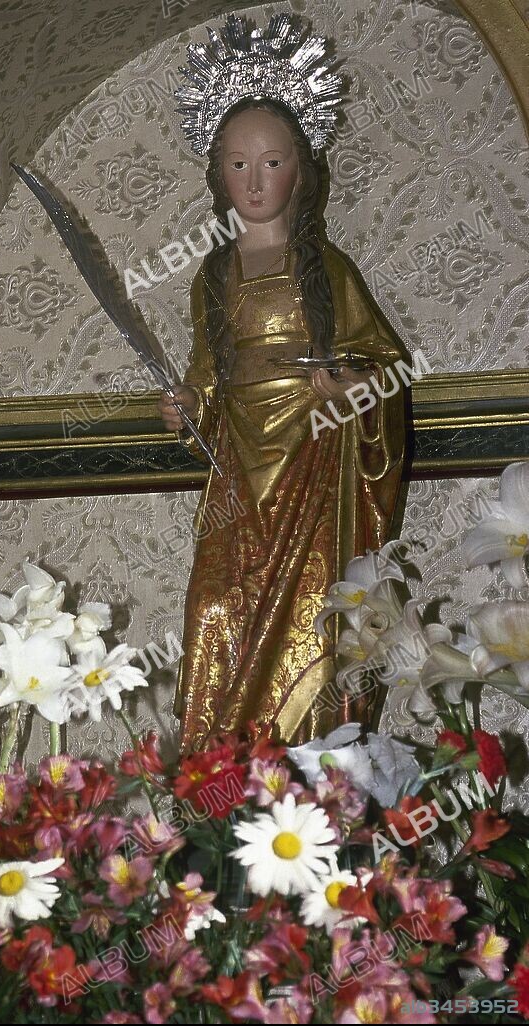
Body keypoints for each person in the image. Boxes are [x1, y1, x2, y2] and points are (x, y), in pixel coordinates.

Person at [161, 18, 408, 754]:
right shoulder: (212, 274)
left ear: (299, 170)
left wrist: (349, 392)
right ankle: (222, 776)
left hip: (313, 464)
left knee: (314, 619)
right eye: (239, 165)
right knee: (215, 610)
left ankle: (313, 768)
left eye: (271, 163)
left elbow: (386, 373)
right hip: (238, 471)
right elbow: (210, 372)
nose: (255, 180)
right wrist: (185, 404)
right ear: (217, 175)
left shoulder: (326, 270)